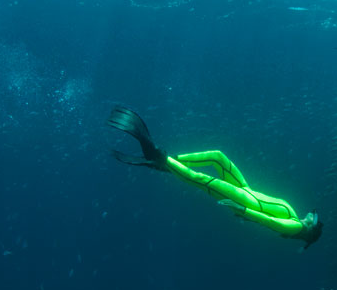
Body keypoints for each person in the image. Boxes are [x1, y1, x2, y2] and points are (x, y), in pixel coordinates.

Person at [106, 106, 323, 249]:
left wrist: (243, 210)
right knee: (218, 157)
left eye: (314, 222)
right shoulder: (295, 218)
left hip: (244, 199)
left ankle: (159, 156)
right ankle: (169, 162)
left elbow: (270, 221)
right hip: (245, 189)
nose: (312, 218)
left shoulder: (295, 227)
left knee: (202, 180)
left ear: (310, 231)